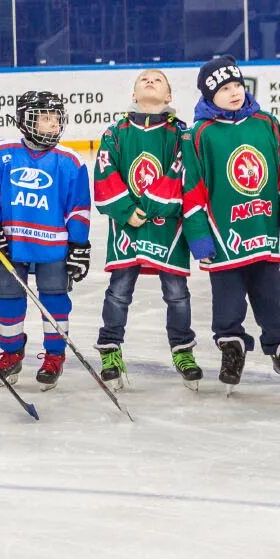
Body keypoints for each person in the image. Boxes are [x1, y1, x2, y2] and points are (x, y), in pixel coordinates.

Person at [181, 56, 280, 394]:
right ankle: (232, 349)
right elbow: (192, 188)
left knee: (273, 297)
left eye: (237, 85)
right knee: (228, 302)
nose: (234, 92)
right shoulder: (199, 135)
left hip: (264, 232)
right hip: (225, 238)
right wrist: (198, 236)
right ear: (210, 95)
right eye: (225, 88)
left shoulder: (267, 124)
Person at [92, 69, 200, 389]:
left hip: (167, 227)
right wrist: (126, 211)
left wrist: (151, 207)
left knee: (177, 294)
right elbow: (104, 173)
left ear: (169, 96)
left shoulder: (182, 134)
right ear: (133, 95)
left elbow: (183, 173)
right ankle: (110, 347)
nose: (150, 81)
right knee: (119, 290)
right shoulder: (116, 133)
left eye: (158, 80)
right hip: (128, 227)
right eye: (143, 80)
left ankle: (182, 349)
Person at [0, 91, 92, 389]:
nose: (52, 125)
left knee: (54, 299)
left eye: (56, 118)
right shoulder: (0, 153)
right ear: (24, 120)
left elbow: (78, 209)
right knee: (8, 299)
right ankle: (11, 352)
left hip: (53, 245)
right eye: (44, 118)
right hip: (11, 244)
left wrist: (78, 246)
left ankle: (54, 355)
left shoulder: (70, 161)